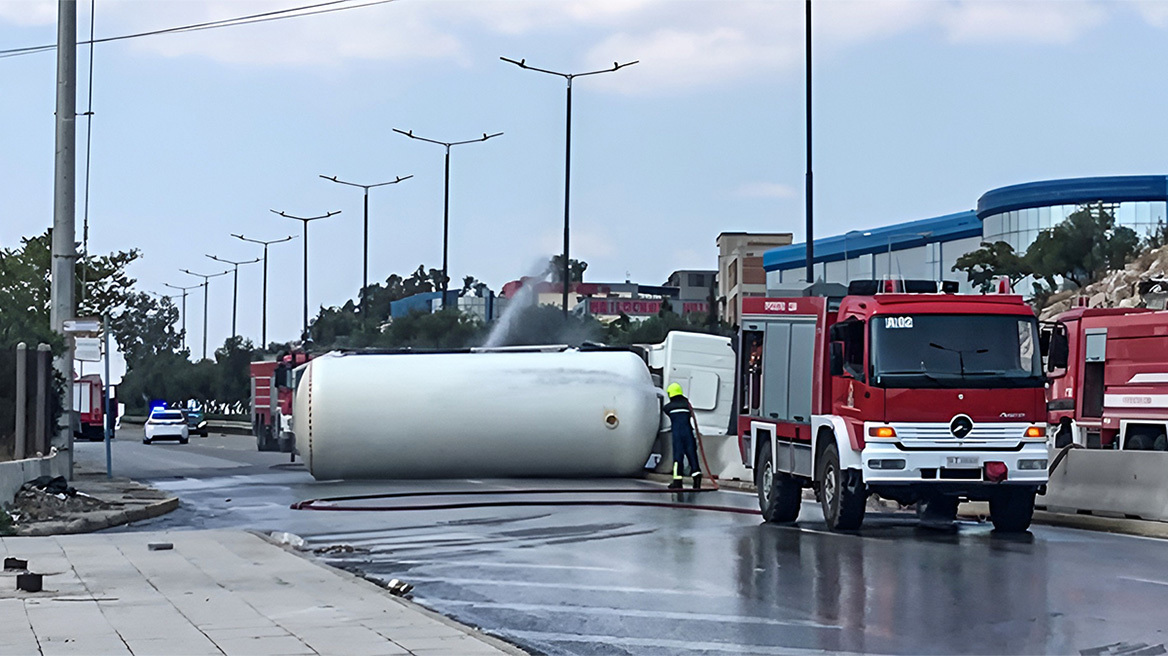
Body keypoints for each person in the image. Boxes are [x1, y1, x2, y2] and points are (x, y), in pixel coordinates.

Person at [663, 383, 702, 490]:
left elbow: (665, 409)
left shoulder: (668, 407)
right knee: (692, 456)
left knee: (678, 457)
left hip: (678, 434)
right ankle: (697, 481)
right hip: (688, 433)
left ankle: (677, 481)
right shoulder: (687, 405)